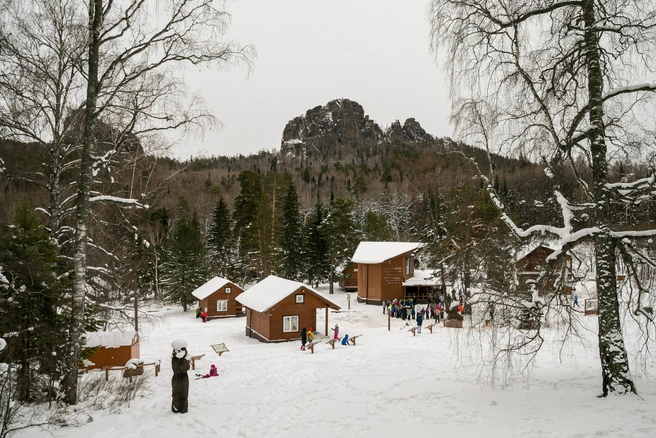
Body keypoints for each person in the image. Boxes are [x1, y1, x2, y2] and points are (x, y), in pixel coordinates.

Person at [171, 340, 190, 413]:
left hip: (184, 378)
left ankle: (183, 408)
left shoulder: (184, 358)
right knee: (176, 393)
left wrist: (185, 360)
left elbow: (186, 368)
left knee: (184, 393)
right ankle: (176, 408)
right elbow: (180, 369)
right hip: (177, 378)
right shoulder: (175, 359)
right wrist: (185, 360)